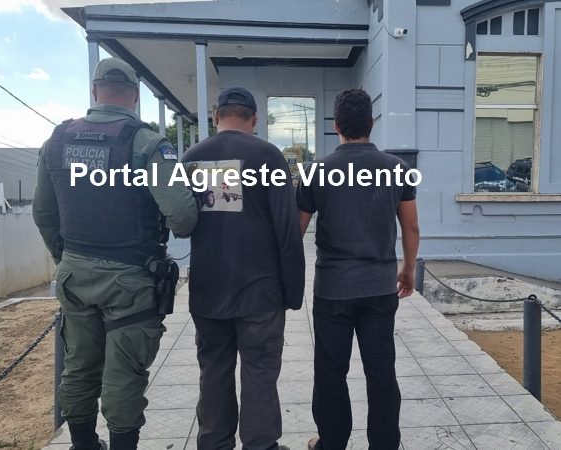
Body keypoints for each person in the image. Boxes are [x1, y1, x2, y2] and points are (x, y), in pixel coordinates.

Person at [32, 58, 198, 450]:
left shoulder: (56, 141)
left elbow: (43, 213)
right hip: (130, 279)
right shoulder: (147, 143)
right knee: (123, 375)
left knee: (78, 367)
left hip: (74, 274)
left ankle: (83, 445)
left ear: (94, 91)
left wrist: (67, 257)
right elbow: (183, 217)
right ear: (136, 96)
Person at [296, 88, 420, 450]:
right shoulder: (398, 169)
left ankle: (332, 442)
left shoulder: (315, 171)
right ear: (371, 123)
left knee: (330, 372)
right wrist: (408, 268)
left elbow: (294, 232)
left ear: (336, 125)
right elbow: (411, 227)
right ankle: (384, 444)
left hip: (332, 290)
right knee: (381, 372)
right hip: (380, 288)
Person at [181, 87, 305, 450]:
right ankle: (260, 445)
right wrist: (293, 292)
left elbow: (180, 221)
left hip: (208, 291)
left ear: (216, 116)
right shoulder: (268, 156)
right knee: (260, 372)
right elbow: (287, 230)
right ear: (254, 119)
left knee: (214, 370)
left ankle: (214, 444)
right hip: (260, 293)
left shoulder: (191, 158)